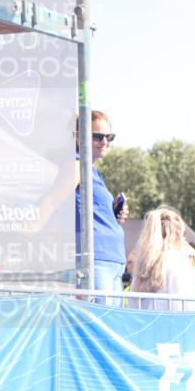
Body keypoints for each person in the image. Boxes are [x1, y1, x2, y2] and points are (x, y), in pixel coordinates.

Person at [74, 110, 127, 298]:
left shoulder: (93, 170)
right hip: (96, 258)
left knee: (110, 321)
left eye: (108, 137)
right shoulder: (76, 164)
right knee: (99, 322)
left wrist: (113, 214)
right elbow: (57, 200)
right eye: (97, 137)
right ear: (80, 137)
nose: (105, 142)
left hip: (113, 259)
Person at [131, 207, 195, 310]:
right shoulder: (178, 262)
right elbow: (188, 307)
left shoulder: (142, 266)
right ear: (177, 234)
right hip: (169, 324)